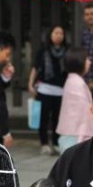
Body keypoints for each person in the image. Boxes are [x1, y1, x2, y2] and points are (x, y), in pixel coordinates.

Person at [29, 25, 68, 155]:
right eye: (56, 32)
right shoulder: (43, 51)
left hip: (61, 90)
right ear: (50, 35)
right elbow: (35, 68)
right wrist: (30, 84)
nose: (58, 35)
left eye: (61, 33)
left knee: (58, 119)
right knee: (43, 118)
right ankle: (44, 143)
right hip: (44, 89)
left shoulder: (67, 51)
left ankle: (56, 142)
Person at [55, 46, 93, 153]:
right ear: (79, 61)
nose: (89, 62)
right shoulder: (77, 83)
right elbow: (84, 115)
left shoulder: (73, 80)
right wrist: (83, 138)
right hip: (77, 135)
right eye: (87, 59)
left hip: (73, 132)